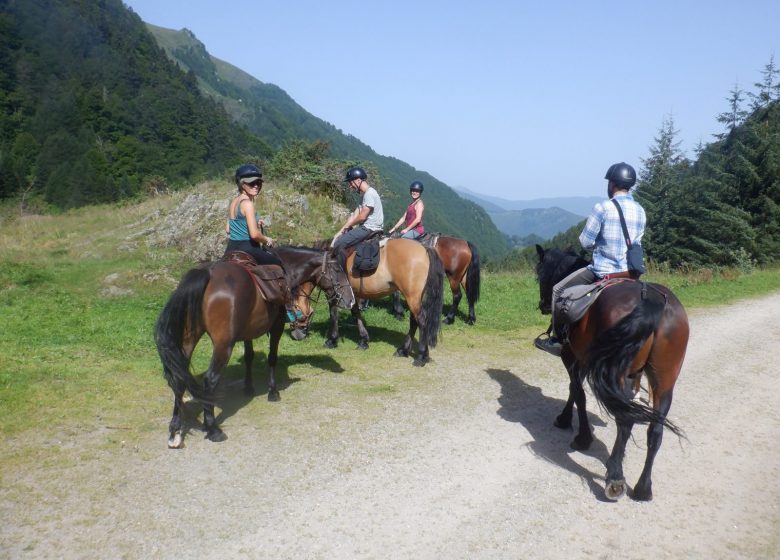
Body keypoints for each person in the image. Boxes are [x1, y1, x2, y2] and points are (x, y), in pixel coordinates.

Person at [535, 162, 646, 356]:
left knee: (557, 290)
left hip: (603, 271)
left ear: (612, 184)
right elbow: (636, 242)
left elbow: (585, 242)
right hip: (630, 273)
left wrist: (600, 245)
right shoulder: (640, 210)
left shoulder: (602, 207)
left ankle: (557, 340)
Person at [225, 163, 302, 322]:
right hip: (248, 248)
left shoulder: (234, 202)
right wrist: (267, 239)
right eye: (252, 183)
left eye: (258, 183)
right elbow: (254, 235)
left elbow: (228, 229)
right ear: (242, 184)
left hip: (231, 249)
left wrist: (254, 222)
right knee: (281, 266)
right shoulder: (248, 204)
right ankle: (288, 308)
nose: (256, 186)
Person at [330, 166, 384, 264]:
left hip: (369, 228)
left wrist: (348, 226)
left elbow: (362, 216)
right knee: (342, 238)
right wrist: (341, 231)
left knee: (339, 243)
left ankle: (339, 271)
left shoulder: (369, 194)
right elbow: (355, 215)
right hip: (368, 228)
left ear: (358, 181)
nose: (350, 186)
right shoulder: (364, 195)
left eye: (351, 182)